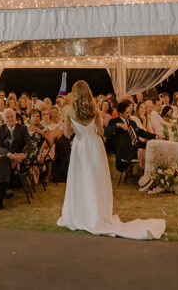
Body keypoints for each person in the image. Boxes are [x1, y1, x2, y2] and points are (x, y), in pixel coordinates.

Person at [57, 80, 165, 239]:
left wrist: (77, 129)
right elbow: (100, 131)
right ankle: (97, 214)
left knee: (80, 180)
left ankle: (81, 214)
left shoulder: (69, 110)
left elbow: (66, 134)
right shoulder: (94, 108)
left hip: (80, 147)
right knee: (97, 179)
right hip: (94, 145)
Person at [0, 109, 30, 211]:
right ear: (4, 119)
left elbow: (29, 146)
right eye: (8, 117)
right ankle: (6, 189)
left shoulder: (22, 129)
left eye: (12, 116)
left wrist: (24, 155)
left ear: (15, 117)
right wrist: (9, 154)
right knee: (4, 160)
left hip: (18, 158)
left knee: (4, 162)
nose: (10, 119)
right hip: (4, 155)